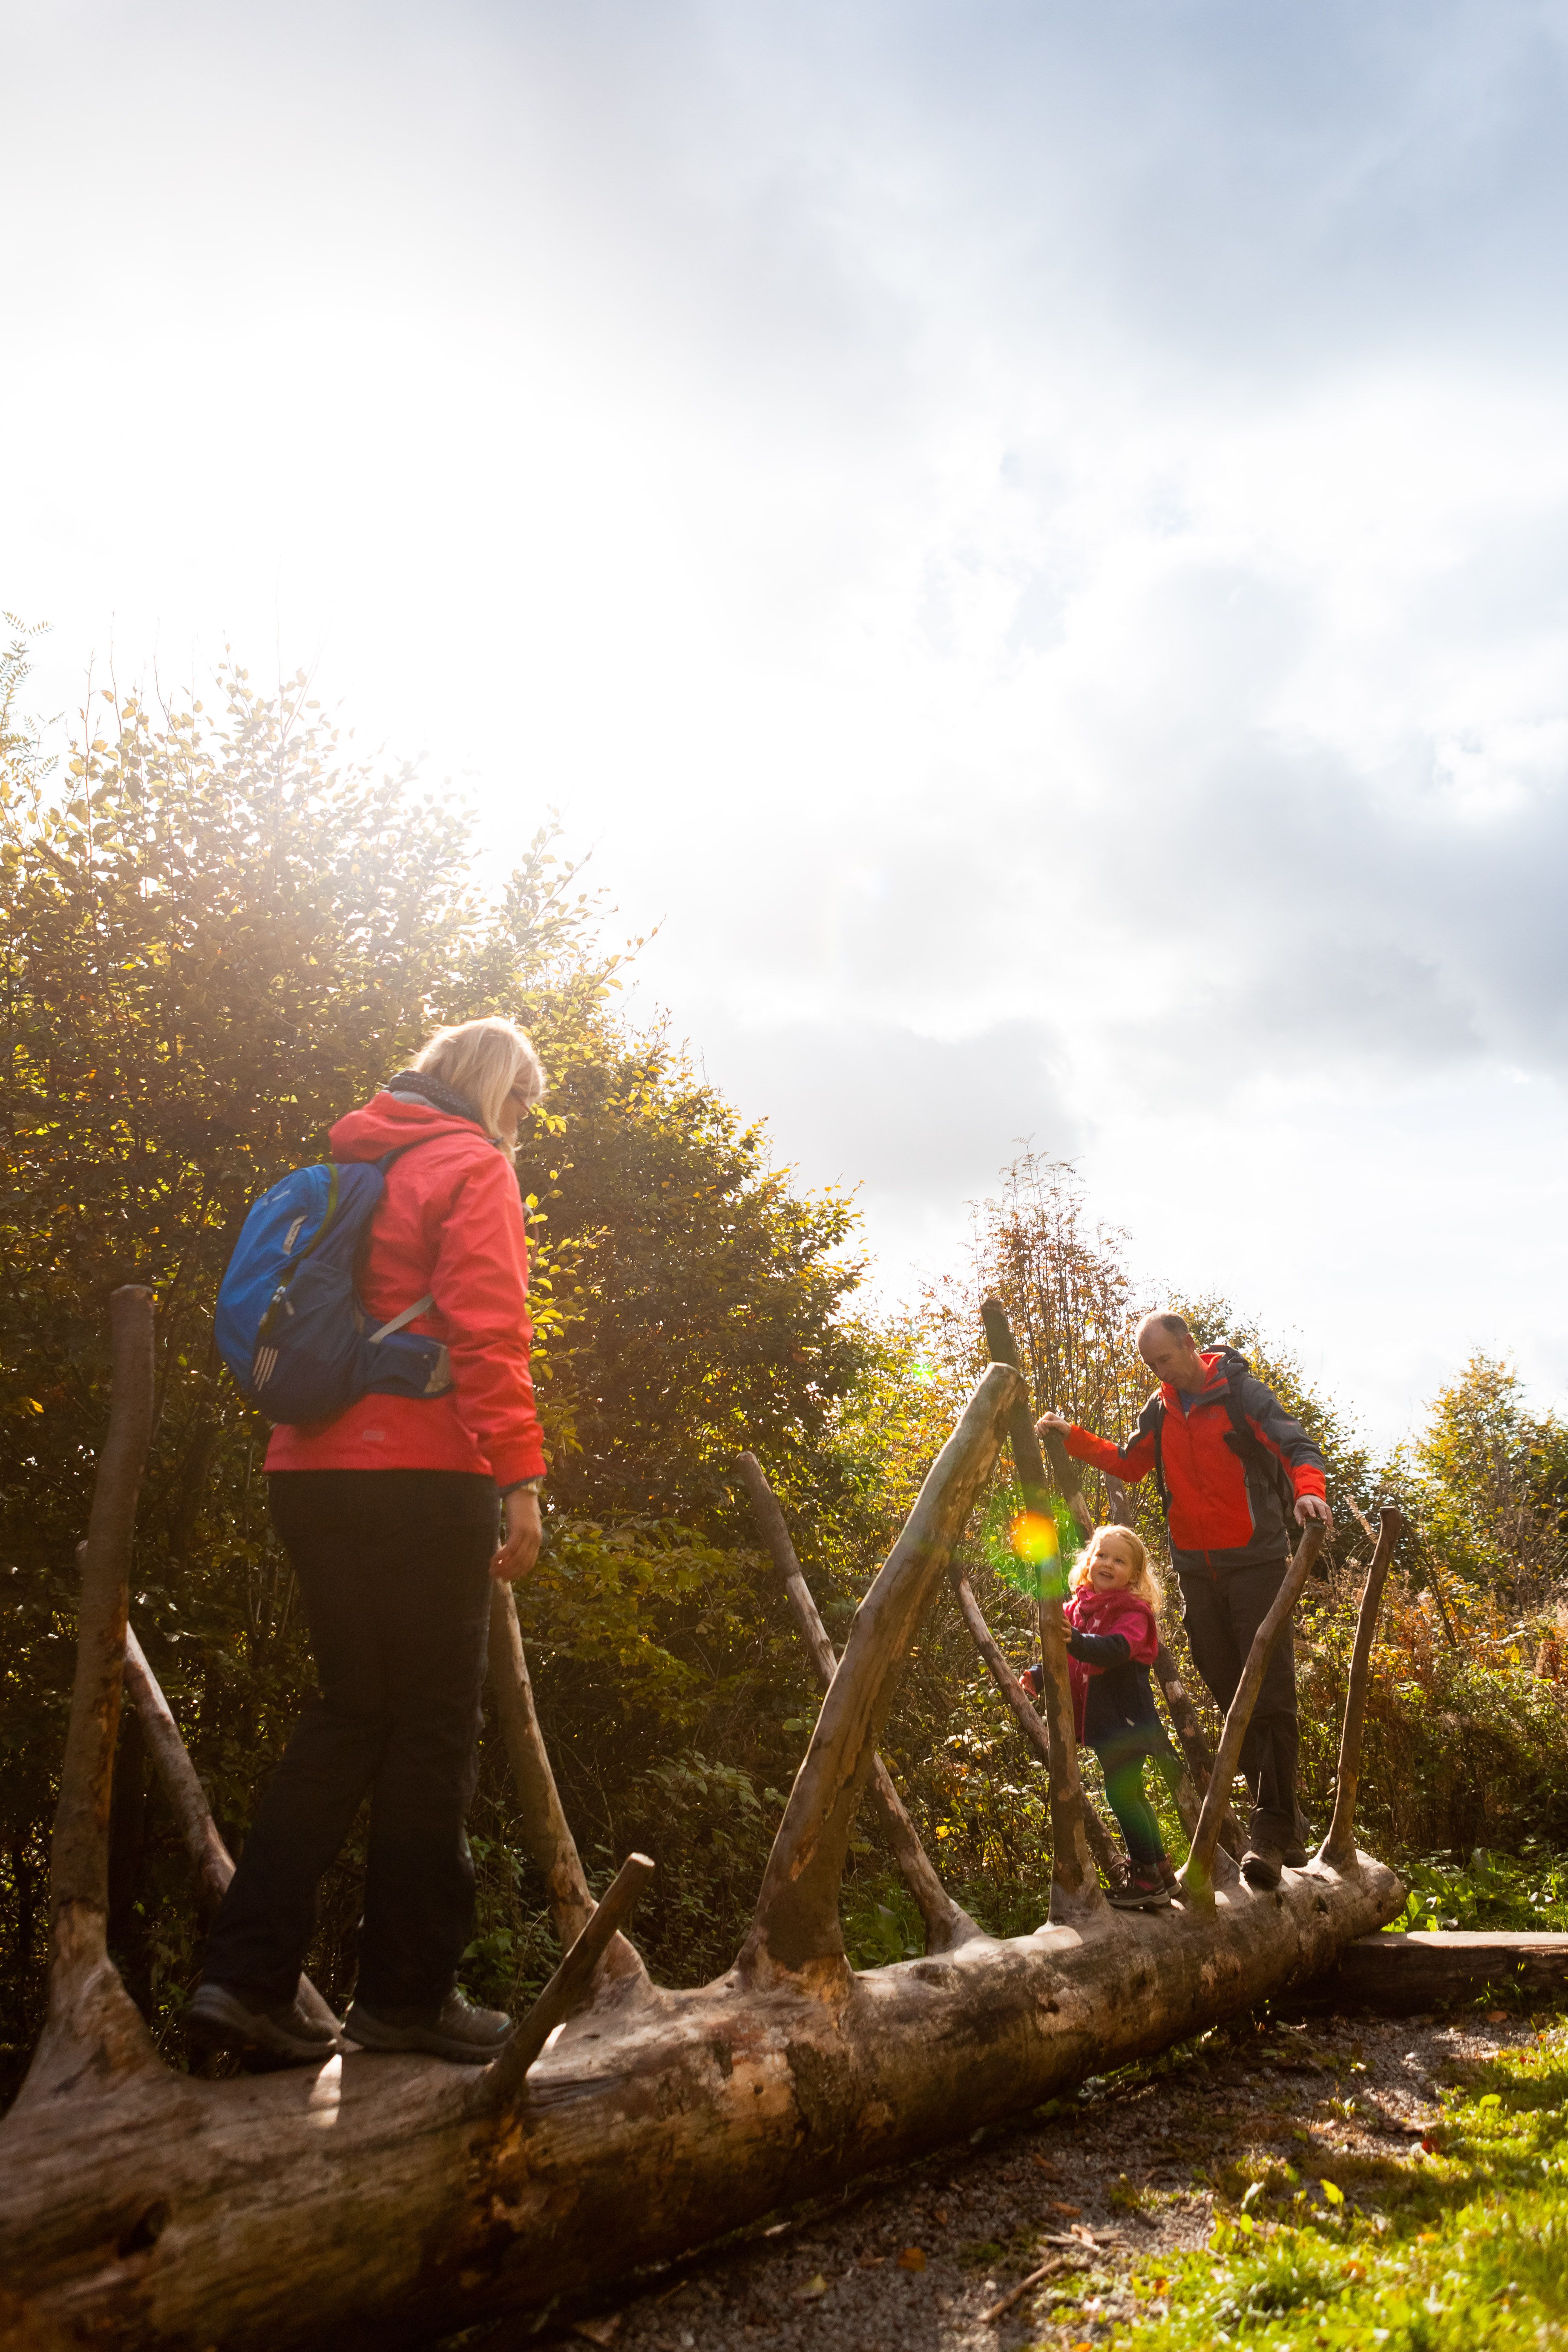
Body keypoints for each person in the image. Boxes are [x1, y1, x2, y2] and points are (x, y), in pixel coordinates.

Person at [190, 1016, 549, 2067]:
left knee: (347, 1713)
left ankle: (241, 1980)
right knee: (433, 1728)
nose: (522, 1123)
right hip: (425, 1476)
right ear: (491, 1087)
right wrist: (520, 1475)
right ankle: (405, 1997)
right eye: (522, 1101)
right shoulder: (470, 1168)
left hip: (306, 1473)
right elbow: (489, 1329)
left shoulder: (348, 1165)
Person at [1038, 1311, 1332, 1892]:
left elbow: (1297, 1444)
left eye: (1164, 1359)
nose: (1159, 1370)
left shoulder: (1243, 1394)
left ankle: (1270, 1833)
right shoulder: (1160, 1409)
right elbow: (1129, 1463)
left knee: (1267, 1692)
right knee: (1227, 1687)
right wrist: (1070, 1436)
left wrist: (1308, 1494)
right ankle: (1287, 1817)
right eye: (1150, 1364)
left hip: (1255, 1562)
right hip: (1198, 1571)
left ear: (1190, 1345)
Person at [1053, 1523, 1185, 1910]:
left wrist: (1074, 1640)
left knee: (1123, 1795)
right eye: (1101, 1555)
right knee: (1130, 1793)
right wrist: (1040, 1675)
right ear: (1088, 1561)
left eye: (1119, 1560)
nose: (1107, 1563)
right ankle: (1159, 1870)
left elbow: (1112, 1650)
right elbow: (1070, 1658)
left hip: (1126, 1722)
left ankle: (1146, 1877)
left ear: (1135, 1574)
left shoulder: (1133, 1613)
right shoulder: (1079, 1608)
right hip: (1105, 1722)